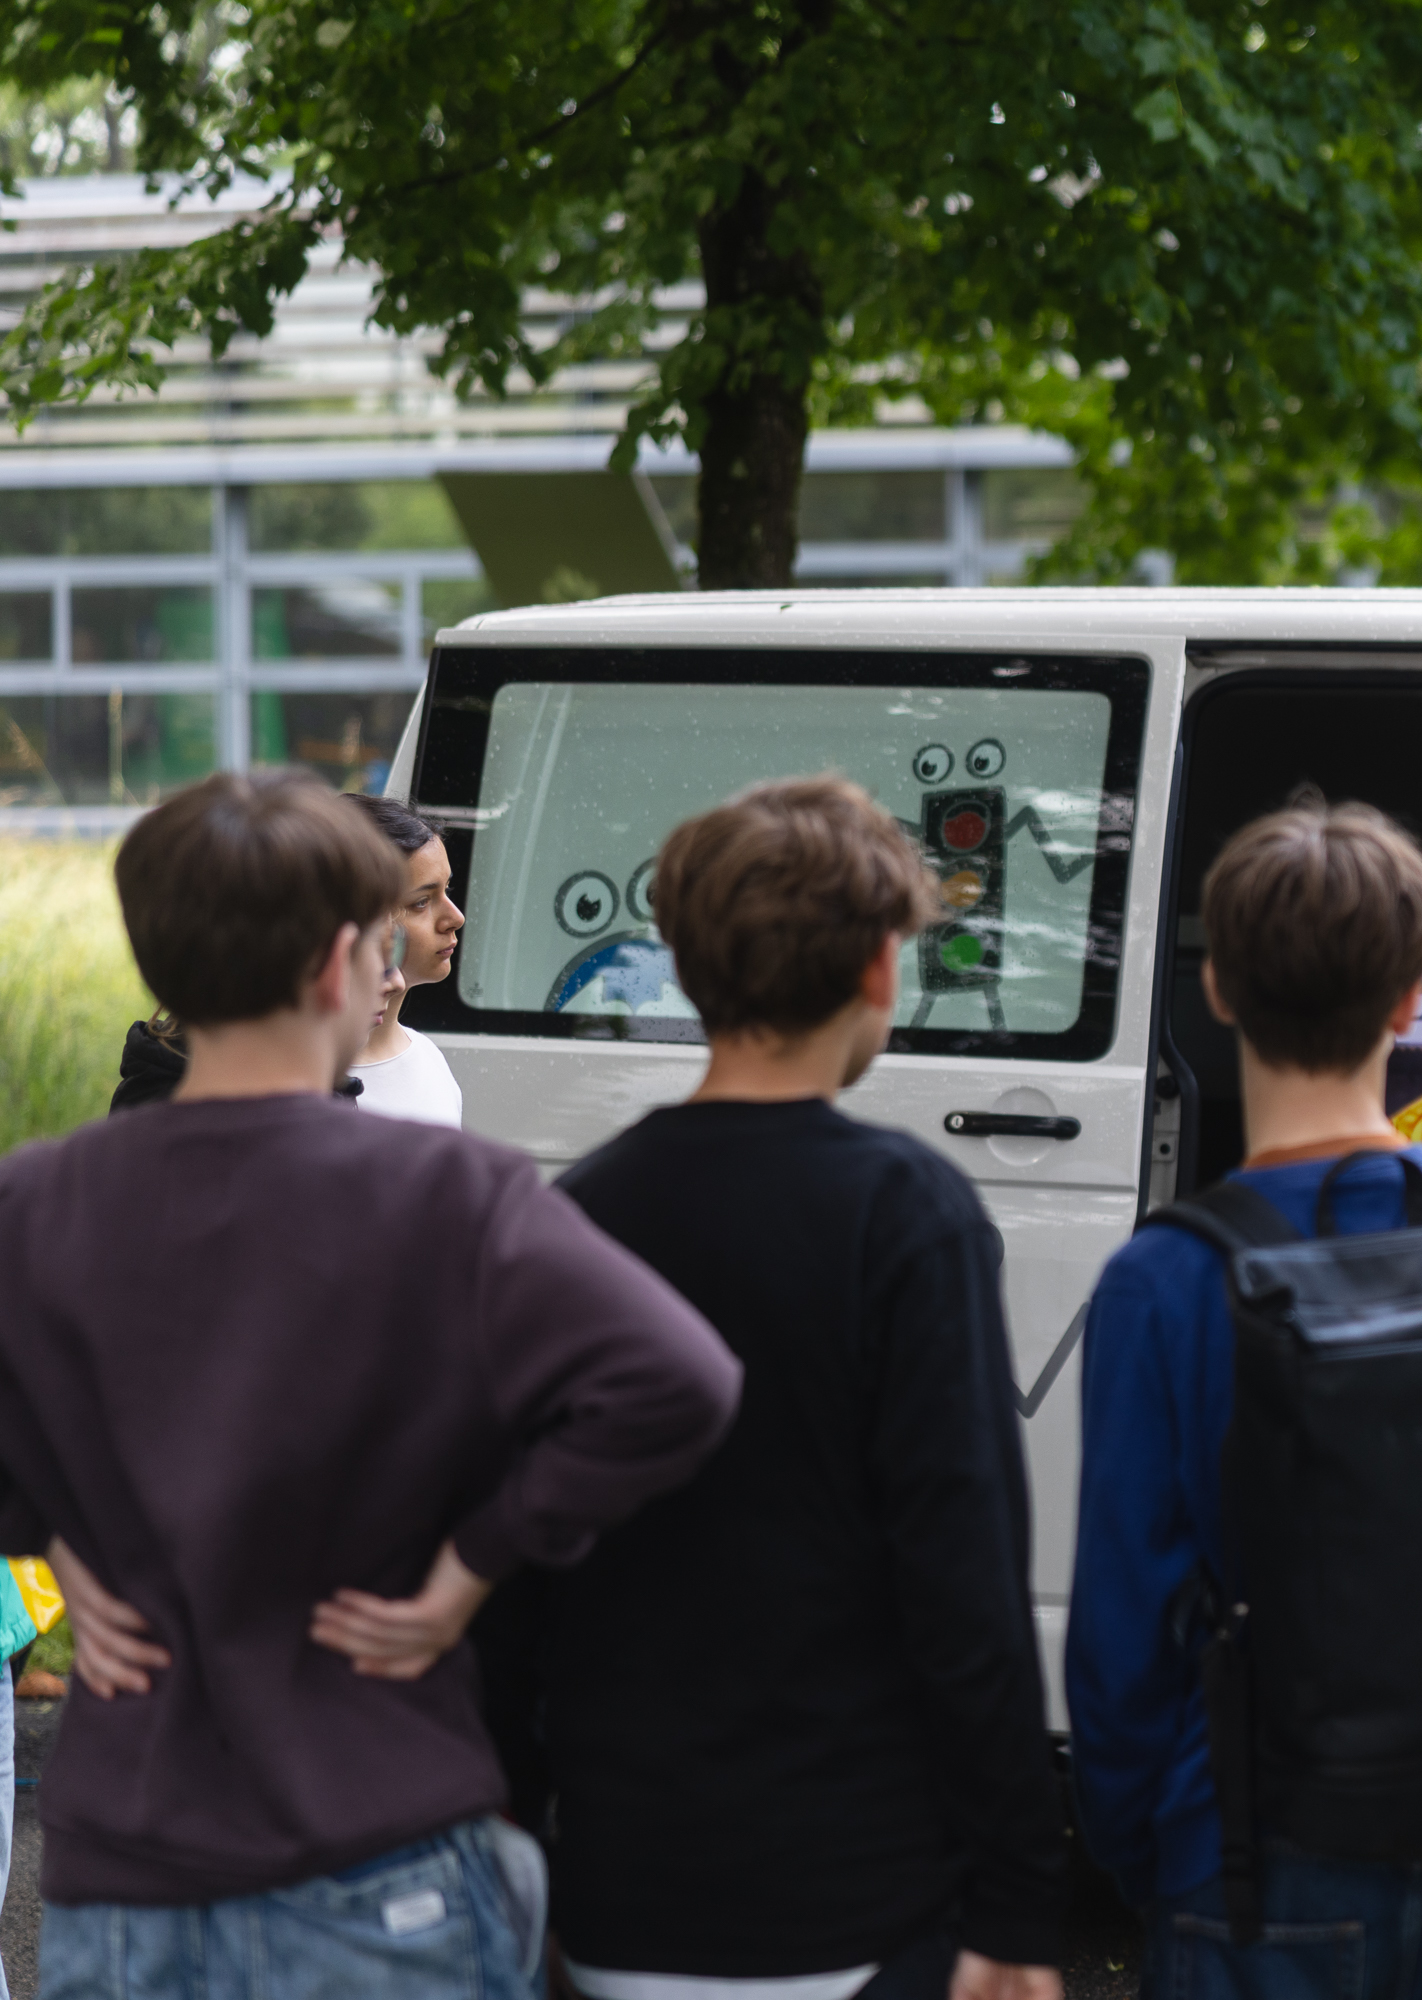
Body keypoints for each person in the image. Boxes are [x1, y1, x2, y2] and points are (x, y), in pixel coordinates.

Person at [0, 769, 742, 1998]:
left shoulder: (41, 1198)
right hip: (378, 1851)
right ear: (341, 959)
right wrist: (479, 1558)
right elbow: (680, 1378)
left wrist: (54, 1535)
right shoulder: (443, 1193)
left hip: (121, 1874)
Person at [476, 776, 1066, 2000]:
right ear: (875, 974)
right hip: (855, 1890)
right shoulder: (908, 1215)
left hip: (620, 1893)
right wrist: (1014, 1900)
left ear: (687, 970)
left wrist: (513, 1846)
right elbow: (964, 1580)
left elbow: (513, 1576)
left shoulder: (574, 1212)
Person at [1070, 796, 1422, 1998]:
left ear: (1220, 994)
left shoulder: (1168, 1278)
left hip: (1256, 1849)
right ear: (1413, 1002)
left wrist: (1156, 1857)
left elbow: (1123, 1641)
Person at [343, 791, 468, 1126]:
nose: (455, 918)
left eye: (447, 891)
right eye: (421, 902)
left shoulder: (428, 1058)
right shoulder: (298, 1082)